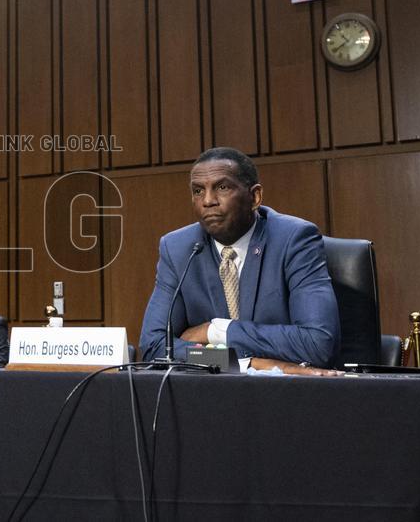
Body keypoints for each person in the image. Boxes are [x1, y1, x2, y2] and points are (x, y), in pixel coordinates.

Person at [138, 147, 341, 375]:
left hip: (286, 391)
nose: (208, 201)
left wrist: (216, 331)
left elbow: (318, 343)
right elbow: (154, 346)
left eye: (222, 187)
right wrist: (246, 363)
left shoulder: (294, 240)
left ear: (255, 197)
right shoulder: (178, 248)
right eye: (198, 191)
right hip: (209, 391)